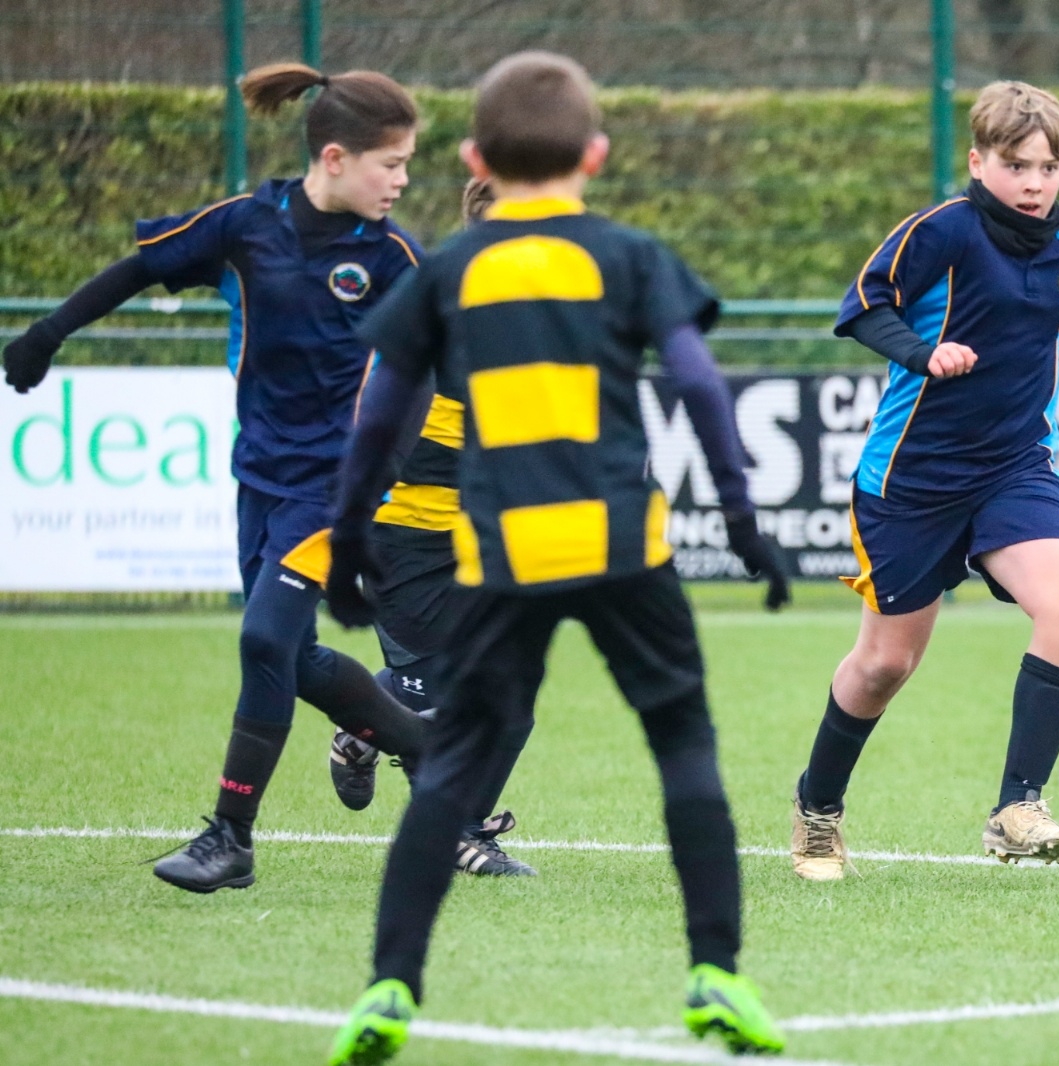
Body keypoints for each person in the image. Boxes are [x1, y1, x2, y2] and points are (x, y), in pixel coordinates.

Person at [321, 52, 788, 1063]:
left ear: (474, 158)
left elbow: (378, 417)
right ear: (596, 155)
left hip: (503, 554)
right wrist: (742, 518)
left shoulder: (448, 270)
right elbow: (701, 385)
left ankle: (389, 988)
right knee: (683, 747)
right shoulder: (629, 256)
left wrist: (349, 537)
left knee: (451, 768)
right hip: (621, 543)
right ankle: (716, 972)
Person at [1, 63, 434, 893]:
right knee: (294, 660)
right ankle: (426, 748)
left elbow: (419, 375)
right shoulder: (245, 226)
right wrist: (48, 333)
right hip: (260, 480)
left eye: (407, 164)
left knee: (262, 640)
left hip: (332, 492)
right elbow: (140, 269)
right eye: (392, 163)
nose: (403, 180)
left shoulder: (395, 259)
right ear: (335, 158)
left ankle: (230, 838)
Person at [788, 81, 1059, 882]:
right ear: (978, 161)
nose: (1034, 184)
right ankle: (817, 807)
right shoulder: (944, 231)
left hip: (1014, 466)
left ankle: (1016, 809)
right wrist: (922, 353)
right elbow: (862, 306)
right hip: (913, 479)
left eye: (1048, 168)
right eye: (1016, 166)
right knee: (885, 665)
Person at [326, 177, 536, 878]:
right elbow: (376, 422)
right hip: (405, 542)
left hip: (485, 542)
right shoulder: (431, 305)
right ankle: (453, 828)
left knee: (511, 694)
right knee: (455, 699)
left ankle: (384, 751)